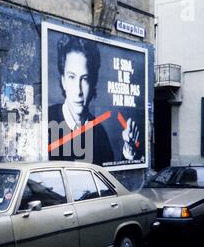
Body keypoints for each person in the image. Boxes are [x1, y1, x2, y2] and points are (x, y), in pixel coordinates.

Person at [48, 35, 140, 165]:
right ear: (63, 81)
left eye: (85, 79)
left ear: (93, 83)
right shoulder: (47, 120)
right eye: (71, 77)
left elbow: (108, 177)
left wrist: (129, 149)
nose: (78, 91)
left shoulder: (99, 132)